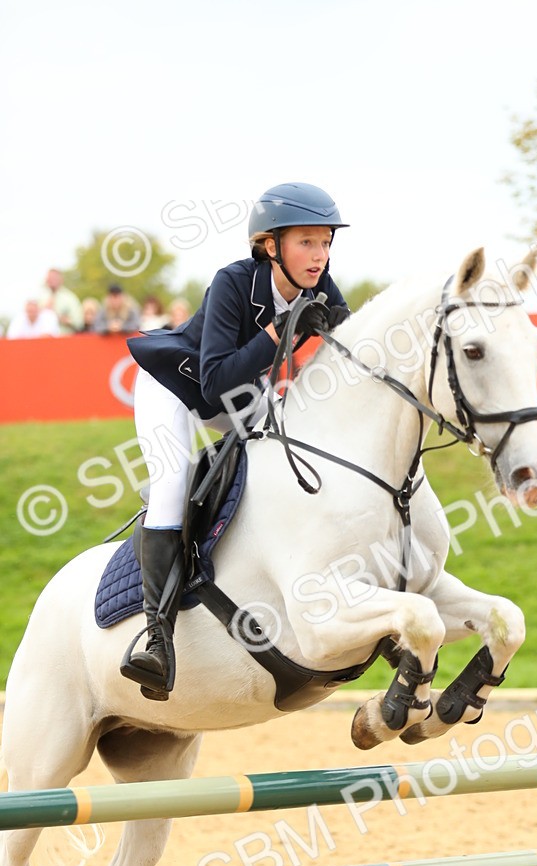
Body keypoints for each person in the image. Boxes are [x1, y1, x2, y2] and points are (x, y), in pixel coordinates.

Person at [121, 181, 351, 701]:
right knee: (172, 483)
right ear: (270, 246)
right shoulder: (233, 282)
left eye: (325, 242)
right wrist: (278, 333)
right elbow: (214, 384)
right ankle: (156, 639)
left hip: (244, 393)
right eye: (307, 242)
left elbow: (353, 346)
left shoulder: (321, 287)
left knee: (290, 452)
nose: (320, 255)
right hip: (176, 385)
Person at [39, 268, 84, 334]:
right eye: (50, 278)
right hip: (42, 337)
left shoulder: (70, 298)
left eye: (54, 278)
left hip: (64, 337)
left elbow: (79, 323)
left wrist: (60, 319)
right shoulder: (39, 296)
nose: (51, 281)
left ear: (61, 280)